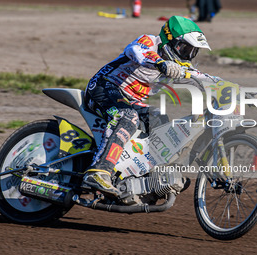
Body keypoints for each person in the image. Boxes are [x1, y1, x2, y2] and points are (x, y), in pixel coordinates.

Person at [82, 15, 220, 196]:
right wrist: (161, 63)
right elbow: (137, 51)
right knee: (127, 117)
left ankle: (147, 175)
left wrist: (235, 90)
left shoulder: (178, 66)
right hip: (104, 86)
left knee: (160, 120)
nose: (188, 56)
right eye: (185, 49)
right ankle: (99, 171)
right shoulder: (149, 42)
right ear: (169, 41)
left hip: (130, 100)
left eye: (193, 52)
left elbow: (204, 78)